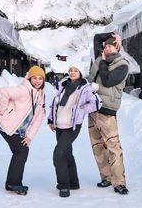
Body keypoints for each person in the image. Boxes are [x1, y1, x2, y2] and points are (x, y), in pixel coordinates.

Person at [48, 62, 101, 198]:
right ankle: (74, 182)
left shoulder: (85, 88)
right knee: (66, 154)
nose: (72, 72)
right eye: (70, 70)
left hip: (72, 127)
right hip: (59, 125)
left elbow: (96, 103)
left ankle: (64, 185)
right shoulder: (63, 85)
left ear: (80, 73)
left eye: (75, 70)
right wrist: (51, 119)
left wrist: (82, 110)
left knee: (58, 154)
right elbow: (56, 104)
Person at [87, 32, 130, 195]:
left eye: (111, 45)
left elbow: (107, 80)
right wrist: (115, 35)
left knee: (113, 147)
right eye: (106, 46)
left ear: (117, 48)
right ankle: (106, 177)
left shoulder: (122, 65)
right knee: (97, 146)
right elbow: (97, 37)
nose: (106, 47)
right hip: (92, 109)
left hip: (107, 112)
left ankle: (119, 182)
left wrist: (103, 62)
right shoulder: (101, 55)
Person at [0, 65, 46, 195]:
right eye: (34, 78)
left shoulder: (40, 95)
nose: (37, 81)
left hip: (19, 130)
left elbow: (38, 119)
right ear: (30, 79)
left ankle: (11, 183)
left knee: (20, 152)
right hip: (7, 126)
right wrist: (3, 111)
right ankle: (13, 183)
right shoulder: (24, 90)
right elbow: (3, 92)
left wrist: (29, 137)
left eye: (40, 78)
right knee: (21, 151)